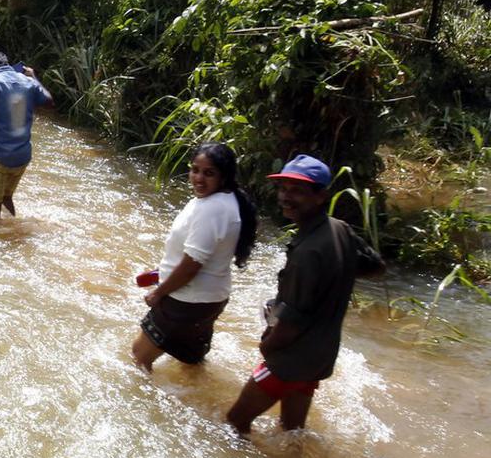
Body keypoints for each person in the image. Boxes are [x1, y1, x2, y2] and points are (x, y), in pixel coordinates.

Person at [225, 154, 385, 435]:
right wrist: (333, 277)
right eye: (283, 188)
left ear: (321, 196)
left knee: (236, 421)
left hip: (290, 360)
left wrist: (267, 347)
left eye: (297, 191)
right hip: (319, 358)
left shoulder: (308, 253)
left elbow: (290, 325)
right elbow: (375, 265)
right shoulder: (339, 229)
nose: (286, 197)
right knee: (292, 430)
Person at [131, 142, 258, 371]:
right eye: (195, 170)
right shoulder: (225, 201)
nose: (199, 178)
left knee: (140, 357)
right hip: (208, 300)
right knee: (190, 362)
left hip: (185, 301)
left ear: (224, 176)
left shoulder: (212, 209)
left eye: (209, 173)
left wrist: (159, 293)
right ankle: (198, 404)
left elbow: (192, 264)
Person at [0, 51, 52, 219]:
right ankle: (13, 229)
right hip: (22, 156)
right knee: (6, 198)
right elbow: (49, 102)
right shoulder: (28, 82)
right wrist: (34, 77)